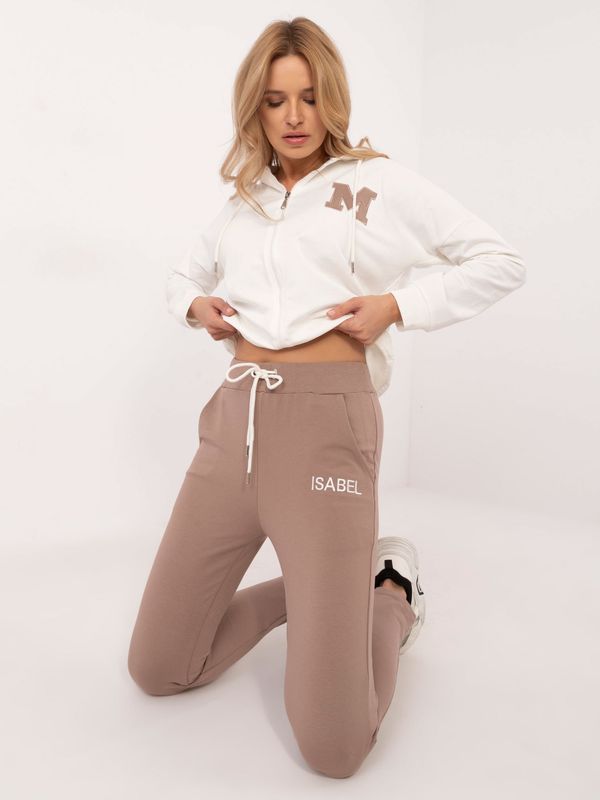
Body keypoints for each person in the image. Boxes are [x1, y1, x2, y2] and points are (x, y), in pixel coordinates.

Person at [127, 16, 526, 779]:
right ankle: (319, 593)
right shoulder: (243, 204)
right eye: (276, 100)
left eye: (309, 97)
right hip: (233, 428)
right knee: (159, 667)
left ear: (332, 99)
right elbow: (183, 277)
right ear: (256, 107)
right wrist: (196, 307)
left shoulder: (374, 184)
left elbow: (498, 260)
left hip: (326, 434)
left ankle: (389, 594)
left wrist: (398, 306)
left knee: (333, 749)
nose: (294, 117)